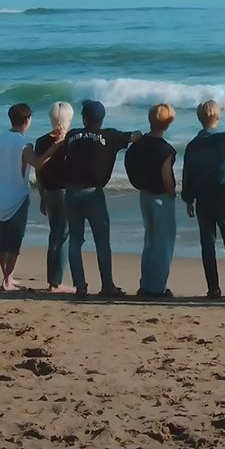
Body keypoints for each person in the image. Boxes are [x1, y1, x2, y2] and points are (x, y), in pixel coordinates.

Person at [62, 99, 141, 299]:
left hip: (71, 192)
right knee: (102, 242)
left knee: (75, 240)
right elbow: (135, 137)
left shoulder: (72, 135)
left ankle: (80, 286)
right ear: (101, 119)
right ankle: (107, 285)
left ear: (84, 118)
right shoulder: (110, 136)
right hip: (93, 194)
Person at [181, 100, 225, 299]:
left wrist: (188, 199)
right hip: (223, 195)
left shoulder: (193, 145)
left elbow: (188, 174)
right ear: (218, 117)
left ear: (200, 119)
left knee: (208, 243)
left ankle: (213, 288)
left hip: (202, 197)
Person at [0, 103, 65, 291]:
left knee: (3, 238)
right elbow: (38, 163)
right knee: (15, 240)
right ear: (27, 120)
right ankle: (7, 280)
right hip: (17, 197)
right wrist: (55, 146)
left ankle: (7, 276)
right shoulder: (24, 145)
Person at [124, 102, 178, 299]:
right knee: (163, 244)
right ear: (168, 123)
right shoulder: (165, 150)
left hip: (144, 194)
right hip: (161, 196)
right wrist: (172, 191)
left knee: (150, 240)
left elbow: (129, 163)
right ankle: (157, 287)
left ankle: (146, 284)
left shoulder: (138, 145)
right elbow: (166, 176)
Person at [34, 100, 74, 291]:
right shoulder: (71, 141)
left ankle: (53, 280)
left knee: (54, 234)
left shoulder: (42, 141)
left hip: (49, 191)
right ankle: (56, 281)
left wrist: (42, 195)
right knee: (64, 235)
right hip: (66, 192)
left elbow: (38, 172)